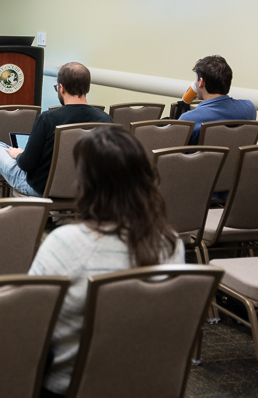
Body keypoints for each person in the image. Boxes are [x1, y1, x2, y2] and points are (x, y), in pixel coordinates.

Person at [28, 126, 185, 397]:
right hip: (144, 384)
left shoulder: (66, 243)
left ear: (86, 183)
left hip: (65, 387)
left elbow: (29, 326)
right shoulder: (170, 244)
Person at [0, 62, 112, 196]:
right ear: (87, 88)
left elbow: (27, 165)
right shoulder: (106, 120)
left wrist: (19, 155)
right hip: (88, 190)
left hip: (44, 189)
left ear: (61, 88)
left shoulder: (47, 118)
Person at [179, 55, 256, 144]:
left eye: (196, 79)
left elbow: (174, 154)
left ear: (201, 82)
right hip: (235, 158)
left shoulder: (188, 119)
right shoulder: (249, 108)